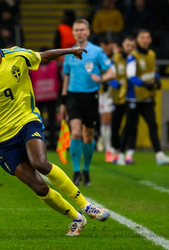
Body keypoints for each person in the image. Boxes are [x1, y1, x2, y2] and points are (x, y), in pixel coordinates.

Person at [0, 23, 110, 237]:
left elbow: (44, 56)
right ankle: (77, 218)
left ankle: (86, 205)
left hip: (26, 122)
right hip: (0, 141)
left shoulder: (17, 56)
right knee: (40, 188)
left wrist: (70, 50)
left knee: (40, 162)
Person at [60, 19, 115, 186]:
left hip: (91, 97)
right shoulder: (69, 52)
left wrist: (102, 78)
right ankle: (76, 172)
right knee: (75, 132)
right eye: (76, 30)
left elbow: (111, 72)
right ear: (74, 32)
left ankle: (86, 170)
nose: (79, 32)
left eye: (82, 29)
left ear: (88, 32)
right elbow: (66, 77)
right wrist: (63, 102)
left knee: (88, 136)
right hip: (73, 97)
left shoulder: (97, 51)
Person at [117, 30, 169, 166]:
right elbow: (131, 76)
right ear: (137, 40)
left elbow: (151, 73)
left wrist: (156, 80)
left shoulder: (152, 54)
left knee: (153, 125)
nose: (145, 40)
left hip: (147, 99)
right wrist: (145, 84)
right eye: (142, 38)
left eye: (147, 37)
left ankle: (159, 155)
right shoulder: (132, 56)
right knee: (129, 127)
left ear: (150, 40)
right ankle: (121, 155)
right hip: (134, 98)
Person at [109, 36, 136, 163]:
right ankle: (116, 149)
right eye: (128, 45)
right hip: (118, 98)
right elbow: (109, 75)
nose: (130, 48)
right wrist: (115, 84)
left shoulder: (135, 59)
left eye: (132, 46)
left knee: (130, 126)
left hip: (132, 96)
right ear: (123, 46)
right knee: (115, 125)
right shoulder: (116, 59)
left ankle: (128, 153)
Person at [97, 38, 117, 161]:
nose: (106, 49)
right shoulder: (98, 59)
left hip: (113, 93)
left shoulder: (116, 59)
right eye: (103, 46)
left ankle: (108, 145)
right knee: (105, 121)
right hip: (102, 95)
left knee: (110, 121)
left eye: (108, 46)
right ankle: (108, 148)